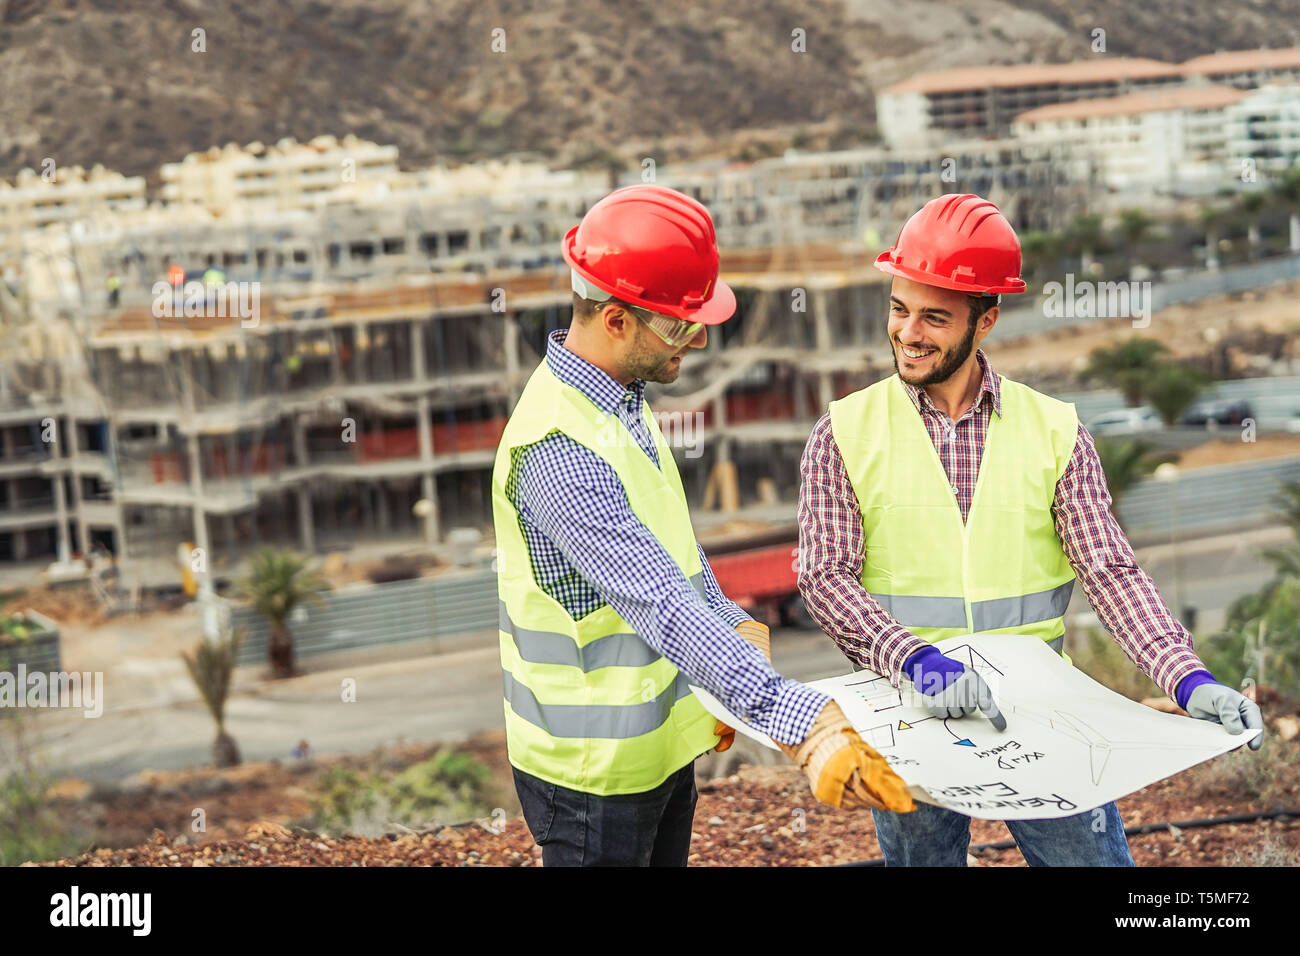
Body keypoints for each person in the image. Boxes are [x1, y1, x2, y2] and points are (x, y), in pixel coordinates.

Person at [796, 193, 1264, 867]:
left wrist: (1188, 680)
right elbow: (824, 578)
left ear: (985, 320)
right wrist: (916, 662)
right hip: (909, 714)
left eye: (934, 317)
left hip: (1042, 715)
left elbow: (1110, 573)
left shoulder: (1055, 430)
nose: (908, 332)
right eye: (899, 309)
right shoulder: (843, 432)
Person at [491, 184, 914, 867]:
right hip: (594, 776)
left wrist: (729, 630)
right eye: (680, 323)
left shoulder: (620, 403)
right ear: (617, 320)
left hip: (657, 751)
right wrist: (798, 723)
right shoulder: (559, 451)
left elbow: (673, 561)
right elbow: (657, 602)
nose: (699, 337)